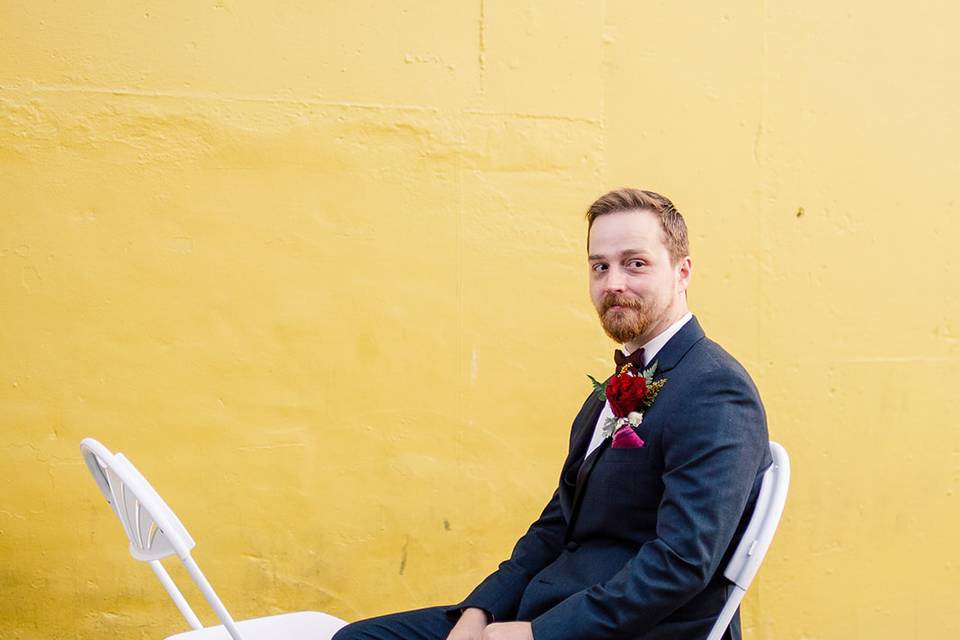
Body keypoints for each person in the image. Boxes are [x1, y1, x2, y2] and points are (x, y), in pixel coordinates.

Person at [333, 188, 771, 640]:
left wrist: (538, 634)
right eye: (599, 266)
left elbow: (682, 561)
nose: (612, 282)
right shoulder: (611, 391)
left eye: (635, 263)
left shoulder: (715, 388)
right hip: (544, 608)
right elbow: (559, 523)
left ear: (682, 272)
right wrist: (482, 608)